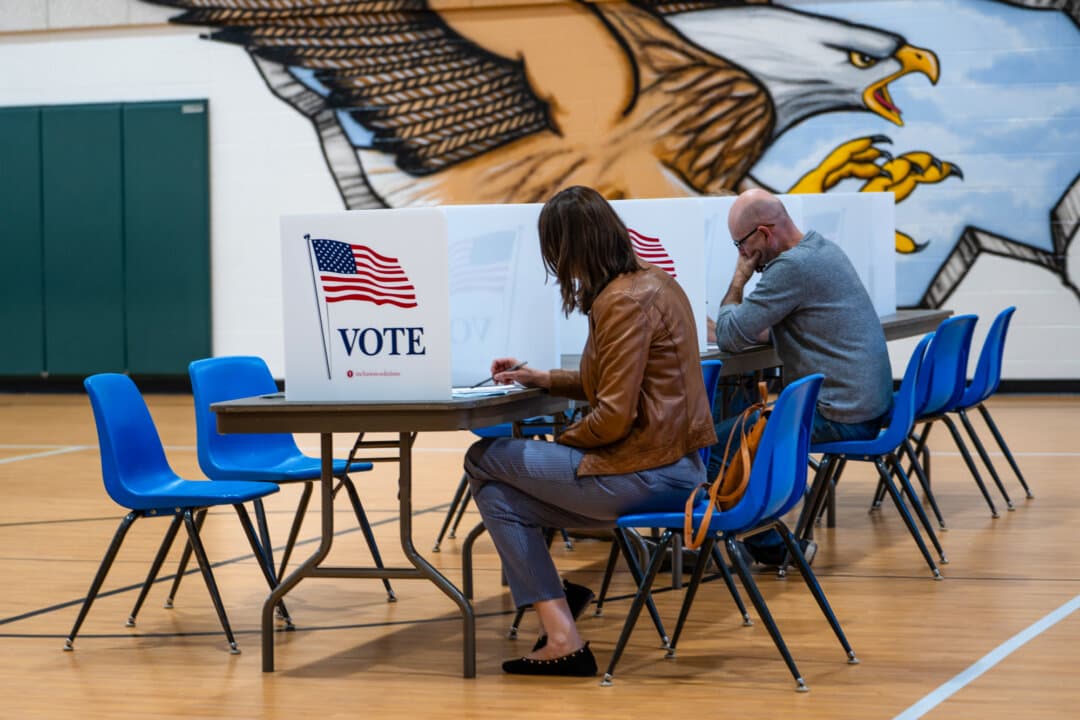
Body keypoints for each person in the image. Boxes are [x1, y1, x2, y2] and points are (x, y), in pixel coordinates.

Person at [464, 185, 717, 677]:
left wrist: (557, 448)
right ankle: (561, 632)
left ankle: (556, 606)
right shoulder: (655, 284)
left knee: (483, 460)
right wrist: (542, 378)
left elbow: (614, 417)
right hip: (676, 467)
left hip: (646, 474)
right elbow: (617, 384)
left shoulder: (620, 301)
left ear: (567, 247)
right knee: (501, 497)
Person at [708, 188, 893, 565]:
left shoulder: (790, 268)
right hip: (865, 404)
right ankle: (756, 541)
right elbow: (766, 327)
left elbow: (730, 335)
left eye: (741, 244)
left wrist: (738, 281)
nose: (742, 254)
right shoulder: (820, 249)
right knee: (742, 419)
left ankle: (732, 547)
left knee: (719, 446)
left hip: (841, 413)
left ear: (763, 233)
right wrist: (739, 324)